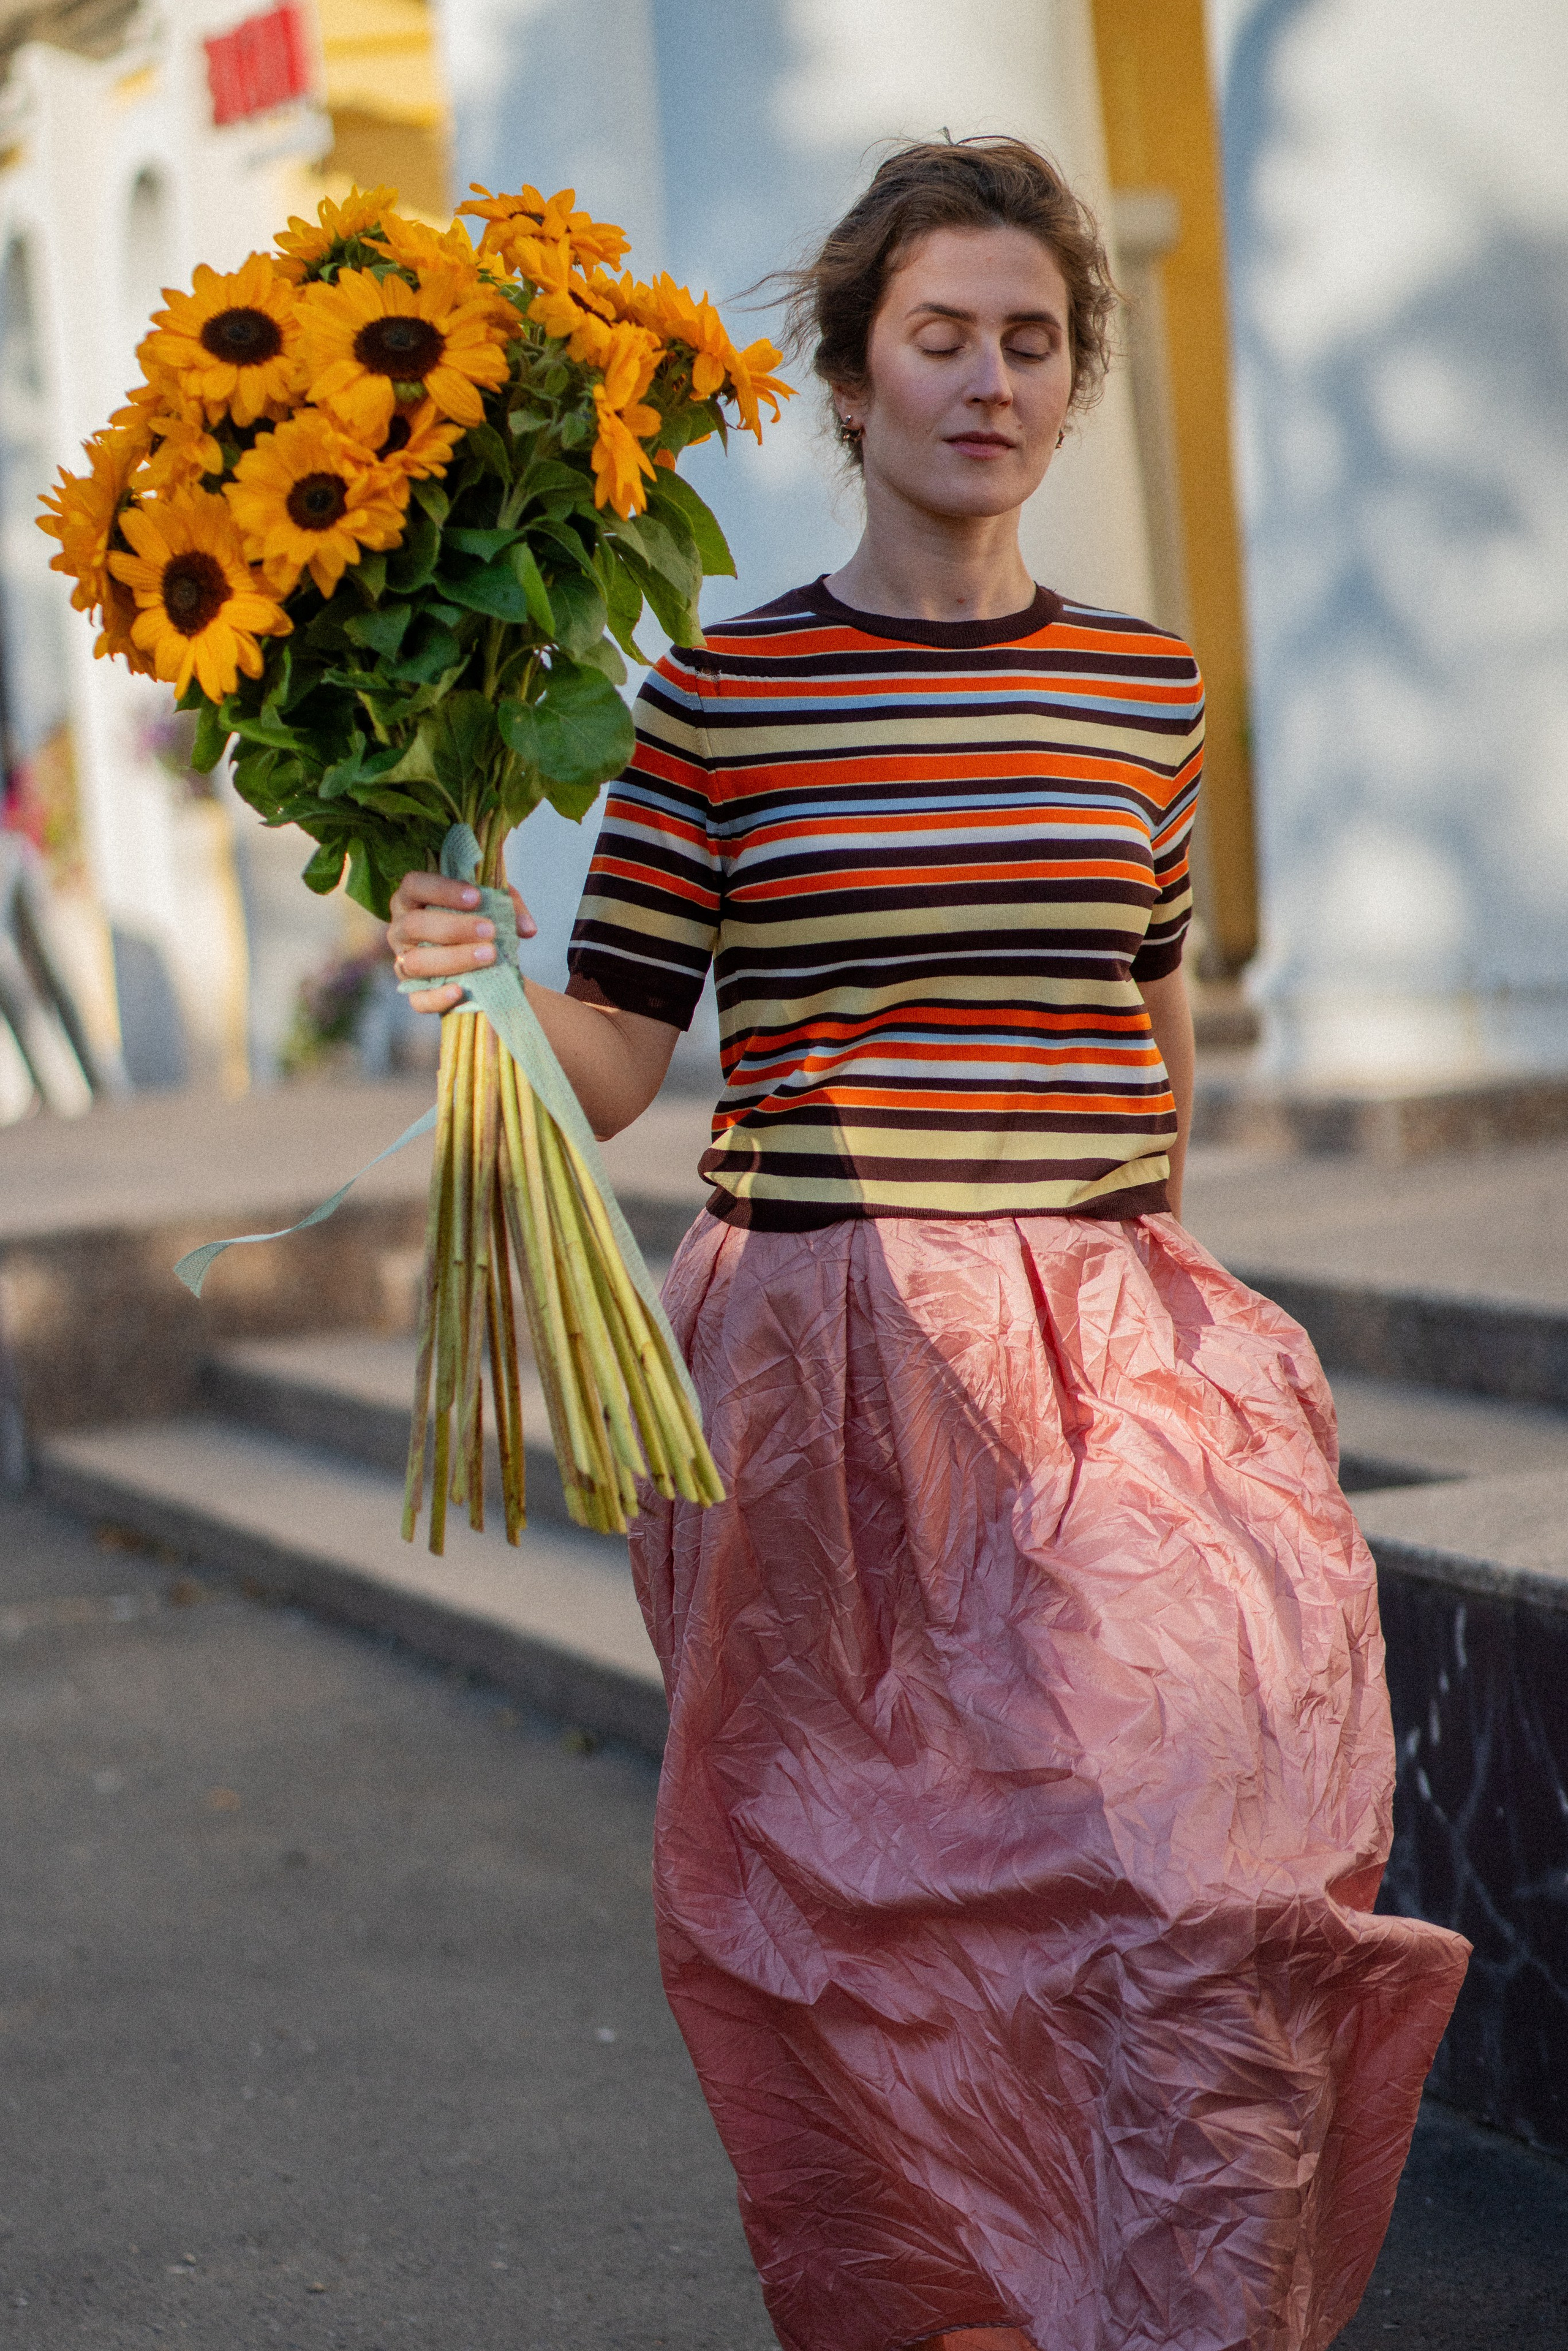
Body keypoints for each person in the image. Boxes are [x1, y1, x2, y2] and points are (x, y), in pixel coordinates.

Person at [389, 137, 1467, 2351]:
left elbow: (1146, 1030)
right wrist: (480, 977)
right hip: (825, 1347)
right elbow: (619, 1064)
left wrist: (1161, 1310)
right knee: (867, 1927)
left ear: (1071, 392)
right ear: (852, 377)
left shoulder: (1140, 693)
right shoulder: (720, 704)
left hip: (1114, 1339)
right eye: (943, 337)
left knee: (1205, 1872)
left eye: (1034, 344)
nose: (990, 380)